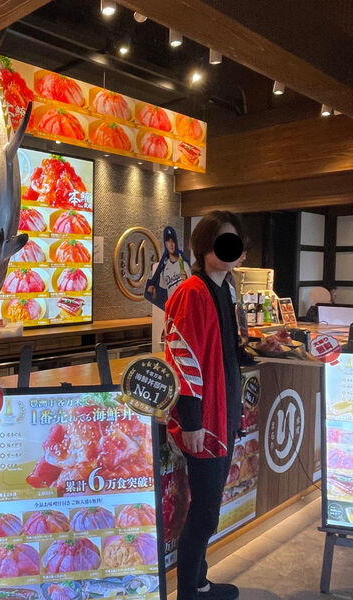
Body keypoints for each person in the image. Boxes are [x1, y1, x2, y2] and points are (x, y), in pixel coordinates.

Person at [164, 211, 246, 600]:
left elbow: (224, 350)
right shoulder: (192, 292)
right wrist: (192, 422)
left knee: (207, 510)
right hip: (205, 422)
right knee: (204, 513)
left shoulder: (224, 288)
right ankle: (189, 592)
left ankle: (199, 582)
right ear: (203, 246)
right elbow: (183, 360)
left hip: (223, 415)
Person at [145, 226, 191, 310]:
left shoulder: (184, 264)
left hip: (185, 307)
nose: (171, 244)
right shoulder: (164, 268)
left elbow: (193, 289)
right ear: (165, 243)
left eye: (173, 241)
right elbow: (161, 292)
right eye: (168, 241)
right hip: (172, 309)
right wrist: (153, 290)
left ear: (176, 243)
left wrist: (187, 281)